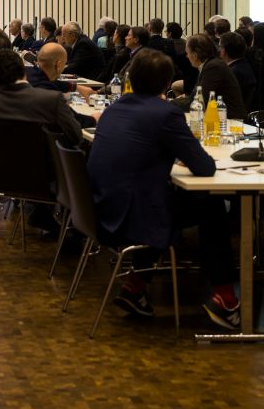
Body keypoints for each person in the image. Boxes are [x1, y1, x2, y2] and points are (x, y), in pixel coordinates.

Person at [86, 47, 240, 330]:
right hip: (133, 211)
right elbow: (204, 168)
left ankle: (135, 285)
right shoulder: (165, 113)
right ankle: (225, 297)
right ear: (168, 83)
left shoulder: (113, 110)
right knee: (210, 205)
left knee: (170, 199)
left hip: (101, 206)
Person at [0, 48, 86, 146]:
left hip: (3, 167)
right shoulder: (51, 99)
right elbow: (76, 137)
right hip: (48, 167)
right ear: (24, 70)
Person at [187, 33, 246, 115]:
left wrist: (170, 104)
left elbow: (201, 101)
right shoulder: (210, 64)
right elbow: (194, 97)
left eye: (187, 53)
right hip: (220, 116)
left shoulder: (213, 67)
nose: (187, 56)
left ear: (195, 55)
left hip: (229, 120)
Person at [219, 32, 257, 112]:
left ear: (223, 51)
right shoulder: (244, 65)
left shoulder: (232, 72)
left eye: (220, 46)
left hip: (232, 116)